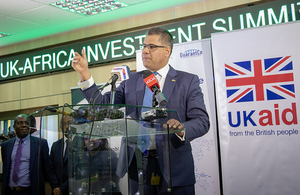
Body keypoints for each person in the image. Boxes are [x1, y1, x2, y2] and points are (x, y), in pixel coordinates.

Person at [72, 27, 210, 195]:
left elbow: (201, 121)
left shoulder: (187, 81)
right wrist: (85, 74)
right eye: (144, 46)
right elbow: (103, 106)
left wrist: (181, 129)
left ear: (167, 51)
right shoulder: (131, 80)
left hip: (175, 165)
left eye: (152, 47)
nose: (145, 50)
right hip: (139, 164)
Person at [1, 114, 49, 195]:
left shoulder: (40, 143)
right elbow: (6, 167)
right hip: (10, 191)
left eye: (26, 123)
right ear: (14, 127)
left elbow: (46, 168)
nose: (24, 125)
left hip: (31, 191)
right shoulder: (6, 145)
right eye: (20, 123)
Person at [48, 115, 71, 195]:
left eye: (70, 123)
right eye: (64, 124)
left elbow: (79, 172)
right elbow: (50, 169)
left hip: (73, 190)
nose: (67, 126)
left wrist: (62, 189)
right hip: (56, 192)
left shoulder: (81, 144)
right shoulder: (55, 146)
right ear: (61, 127)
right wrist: (55, 187)